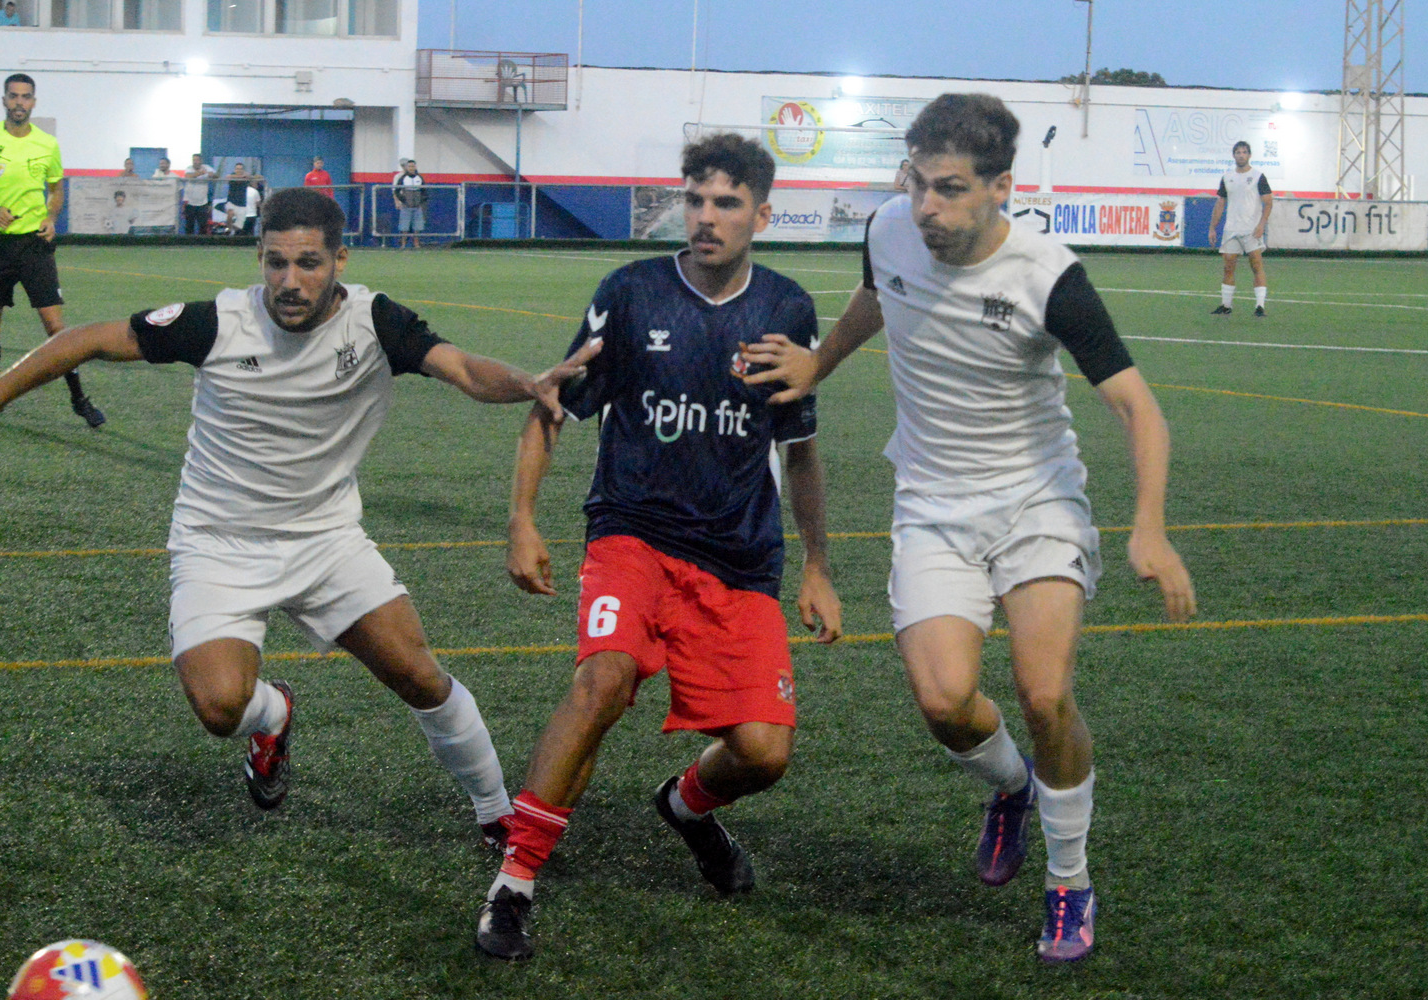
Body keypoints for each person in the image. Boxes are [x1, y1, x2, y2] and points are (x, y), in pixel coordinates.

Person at [0, 186, 600, 856]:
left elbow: (460, 368)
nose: (290, 281)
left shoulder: (376, 322)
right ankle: (272, 713)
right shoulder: (217, 323)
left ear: (339, 259)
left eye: (308, 263)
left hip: (325, 541)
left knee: (419, 676)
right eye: (276, 263)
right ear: (258, 258)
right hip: (218, 543)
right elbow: (84, 340)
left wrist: (526, 381)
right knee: (221, 706)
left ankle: (495, 815)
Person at [740, 93, 1196, 964]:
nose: (927, 208)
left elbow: (1137, 407)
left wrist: (1150, 527)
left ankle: (1069, 882)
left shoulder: (1047, 274)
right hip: (932, 505)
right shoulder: (887, 229)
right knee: (947, 703)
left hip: (1036, 503)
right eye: (916, 183)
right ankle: (1011, 787)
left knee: (1044, 693)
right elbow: (877, 298)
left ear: (1001, 187)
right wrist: (818, 362)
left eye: (949, 189)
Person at [475, 133, 843, 962]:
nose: (707, 219)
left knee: (763, 751)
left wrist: (818, 564)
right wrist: (523, 519)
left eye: (727, 204)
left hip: (741, 559)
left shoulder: (786, 310)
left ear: (762, 213)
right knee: (602, 680)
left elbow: (802, 448)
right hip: (633, 535)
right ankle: (516, 879)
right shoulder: (632, 293)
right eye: (697, 200)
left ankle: (685, 806)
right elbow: (552, 399)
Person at [0, 74, 105, 426]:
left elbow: (56, 191)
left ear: (34, 102)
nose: (20, 102)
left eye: (26, 97)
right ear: (5, 100)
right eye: (14, 96)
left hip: (34, 246)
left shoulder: (47, 144)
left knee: (56, 328)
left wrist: (52, 216)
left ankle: (79, 399)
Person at [1208, 140, 1272, 317]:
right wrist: (1212, 228)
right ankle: (1226, 305)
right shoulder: (1227, 176)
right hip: (1231, 229)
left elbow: (1268, 203)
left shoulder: (1259, 177)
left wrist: (1261, 225)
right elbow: (1220, 203)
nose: (1241, 155)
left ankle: (1260, 306)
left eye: (1244, 152)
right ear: (1233, 155)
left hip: (1251, 230)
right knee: (1228, 266)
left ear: (1249, 155)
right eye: (1238, 152)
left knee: (1256, 265)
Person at [391, 159, 426, 248]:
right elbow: (397, 191)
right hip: (406, 206)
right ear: (407, 167)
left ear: (415, 167)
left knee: (417, 227)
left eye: (413, 166)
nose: (411, 168)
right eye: (409, 166)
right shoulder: (402, 178)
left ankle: (416, 244)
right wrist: (402, 200)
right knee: (404, 227)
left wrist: (421, 201)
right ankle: (403, 244)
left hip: (417, 206)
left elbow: (424, 191)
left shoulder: (419, 178)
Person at [181, 153, 215, 235]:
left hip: (203, 202)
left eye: (197, 160)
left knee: (203, 225)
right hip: (190, 202)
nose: (195, 162)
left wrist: (211, 174)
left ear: (201, 161)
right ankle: (188, 244)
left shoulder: (207, 167)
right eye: (194, 160)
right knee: (189, 224)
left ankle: (201, 244)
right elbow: (188, 176)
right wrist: (201, 173)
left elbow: (216, 175)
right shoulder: (189, 168)